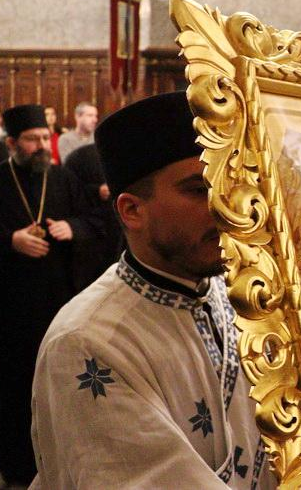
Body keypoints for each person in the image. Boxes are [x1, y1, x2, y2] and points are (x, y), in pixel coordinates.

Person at [30, 92, 275, 489]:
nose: (228, 206)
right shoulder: (86, 342)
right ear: (132, 210)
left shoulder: (234, 291)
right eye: (199, 188)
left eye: (229, 183)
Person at [0, 104, 102, 487]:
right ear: (13, 143)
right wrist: (11, 240)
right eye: (33, 139)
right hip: (10, 309)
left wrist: (72, 227)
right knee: (15, 388)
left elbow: (97, 222)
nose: (43, 145)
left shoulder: (63, 179)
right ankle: (18, 469)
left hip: (59, 304)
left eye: (46, 137)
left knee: (60, 386)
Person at [64, 143, 123, 290]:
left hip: (120, 227)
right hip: (92, 235)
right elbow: (73, 192)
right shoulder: (79, 157)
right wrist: (96, 191)